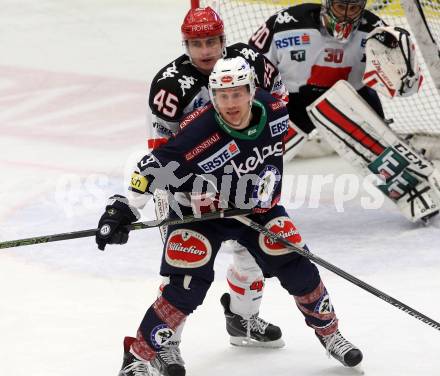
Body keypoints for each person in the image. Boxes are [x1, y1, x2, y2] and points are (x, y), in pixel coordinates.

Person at [96, 56, 363, 376]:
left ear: (251, 91)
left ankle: (330, 334)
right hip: (202, 215)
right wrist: (123, 207)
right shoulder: (198, 132)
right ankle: (138, 357)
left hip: (257, 210)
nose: (231, 103)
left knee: (297, 266)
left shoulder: (276, 111)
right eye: (222, 95)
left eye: (237, 93)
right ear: (213, 96)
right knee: (185, 286)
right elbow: (150, 168)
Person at [147, 5, 292, 351]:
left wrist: (262, 166)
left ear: (223, 40)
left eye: (211, 41)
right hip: (188, 188)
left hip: (242, 177)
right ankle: (165, 343)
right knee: (181, 270)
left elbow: (280, 102)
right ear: (185, 45)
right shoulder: (169, 85)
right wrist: (190, 187)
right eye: (196, 44)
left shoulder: (250, 62)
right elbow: (160, 150)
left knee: (253, 254)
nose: (205, 50)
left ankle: (242, 319)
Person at [248, 0, 440, 222]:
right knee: (262, 152)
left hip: (351, 99)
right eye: (341, 7)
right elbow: (251, 62)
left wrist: (406, 75)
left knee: (381, 149)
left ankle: (415, 193)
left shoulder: (375, 30)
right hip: (293, 101)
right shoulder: (286, 23)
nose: (347, 15)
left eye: (354, 8)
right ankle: (241, 195)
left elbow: (404, 89)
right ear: (327, 4)